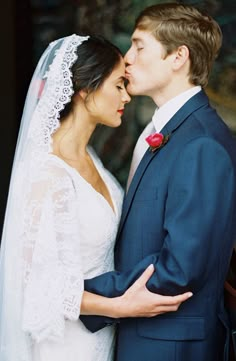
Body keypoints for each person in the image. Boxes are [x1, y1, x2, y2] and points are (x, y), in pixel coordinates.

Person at [0, 34, 191, 361]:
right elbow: (39, 286)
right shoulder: (47, 173)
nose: (127, 96)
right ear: (85, 89)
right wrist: (121, 307)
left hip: (103, 336)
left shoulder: (92, 161)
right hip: (64, 345)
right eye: (118, 85)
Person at [80, 4, 236, 361]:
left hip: (170, 346)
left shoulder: (201, 144)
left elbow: (179, 269)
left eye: (139, 46)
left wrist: (79, 296)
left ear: (178, 56)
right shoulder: (162, 132)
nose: (127, 59)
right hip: (143, 337)